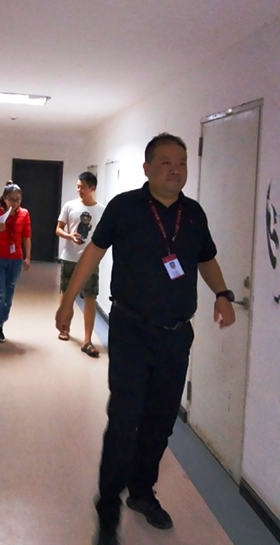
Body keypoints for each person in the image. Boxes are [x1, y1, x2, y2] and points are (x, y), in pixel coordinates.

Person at [56, 134, 236, 545]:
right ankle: (108, 509)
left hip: (176, 335)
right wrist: (67, 303)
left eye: (182, 162)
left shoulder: (193, 214)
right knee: (124, 421)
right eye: (166, 161)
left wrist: (223, 294)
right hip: (131, 331)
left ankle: (141, 492)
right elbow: (93, 253)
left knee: (159, 421)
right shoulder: (125, 207)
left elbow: (206, 258)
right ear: (147, 168)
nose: (175, 169)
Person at [56, 171, 104, 357]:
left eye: (82, 187)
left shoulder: (102, 210)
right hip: (69, 257)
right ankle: (64, 328)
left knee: (90, 297)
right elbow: (58, 229)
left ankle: (87, 339)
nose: (79, 190)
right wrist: (69, 236)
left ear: (92, 188)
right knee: (66, 293)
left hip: (90, 261)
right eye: (77, 186)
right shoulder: (70, 206)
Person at [0, 183, 31, 349]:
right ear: (4, 198)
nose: (15, 203)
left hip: (15, 259)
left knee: (8, 296)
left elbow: (26, 237)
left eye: (18, 199)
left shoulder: (24, 213)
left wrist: (27, 257)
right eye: (12, 199)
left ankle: (1, 325)